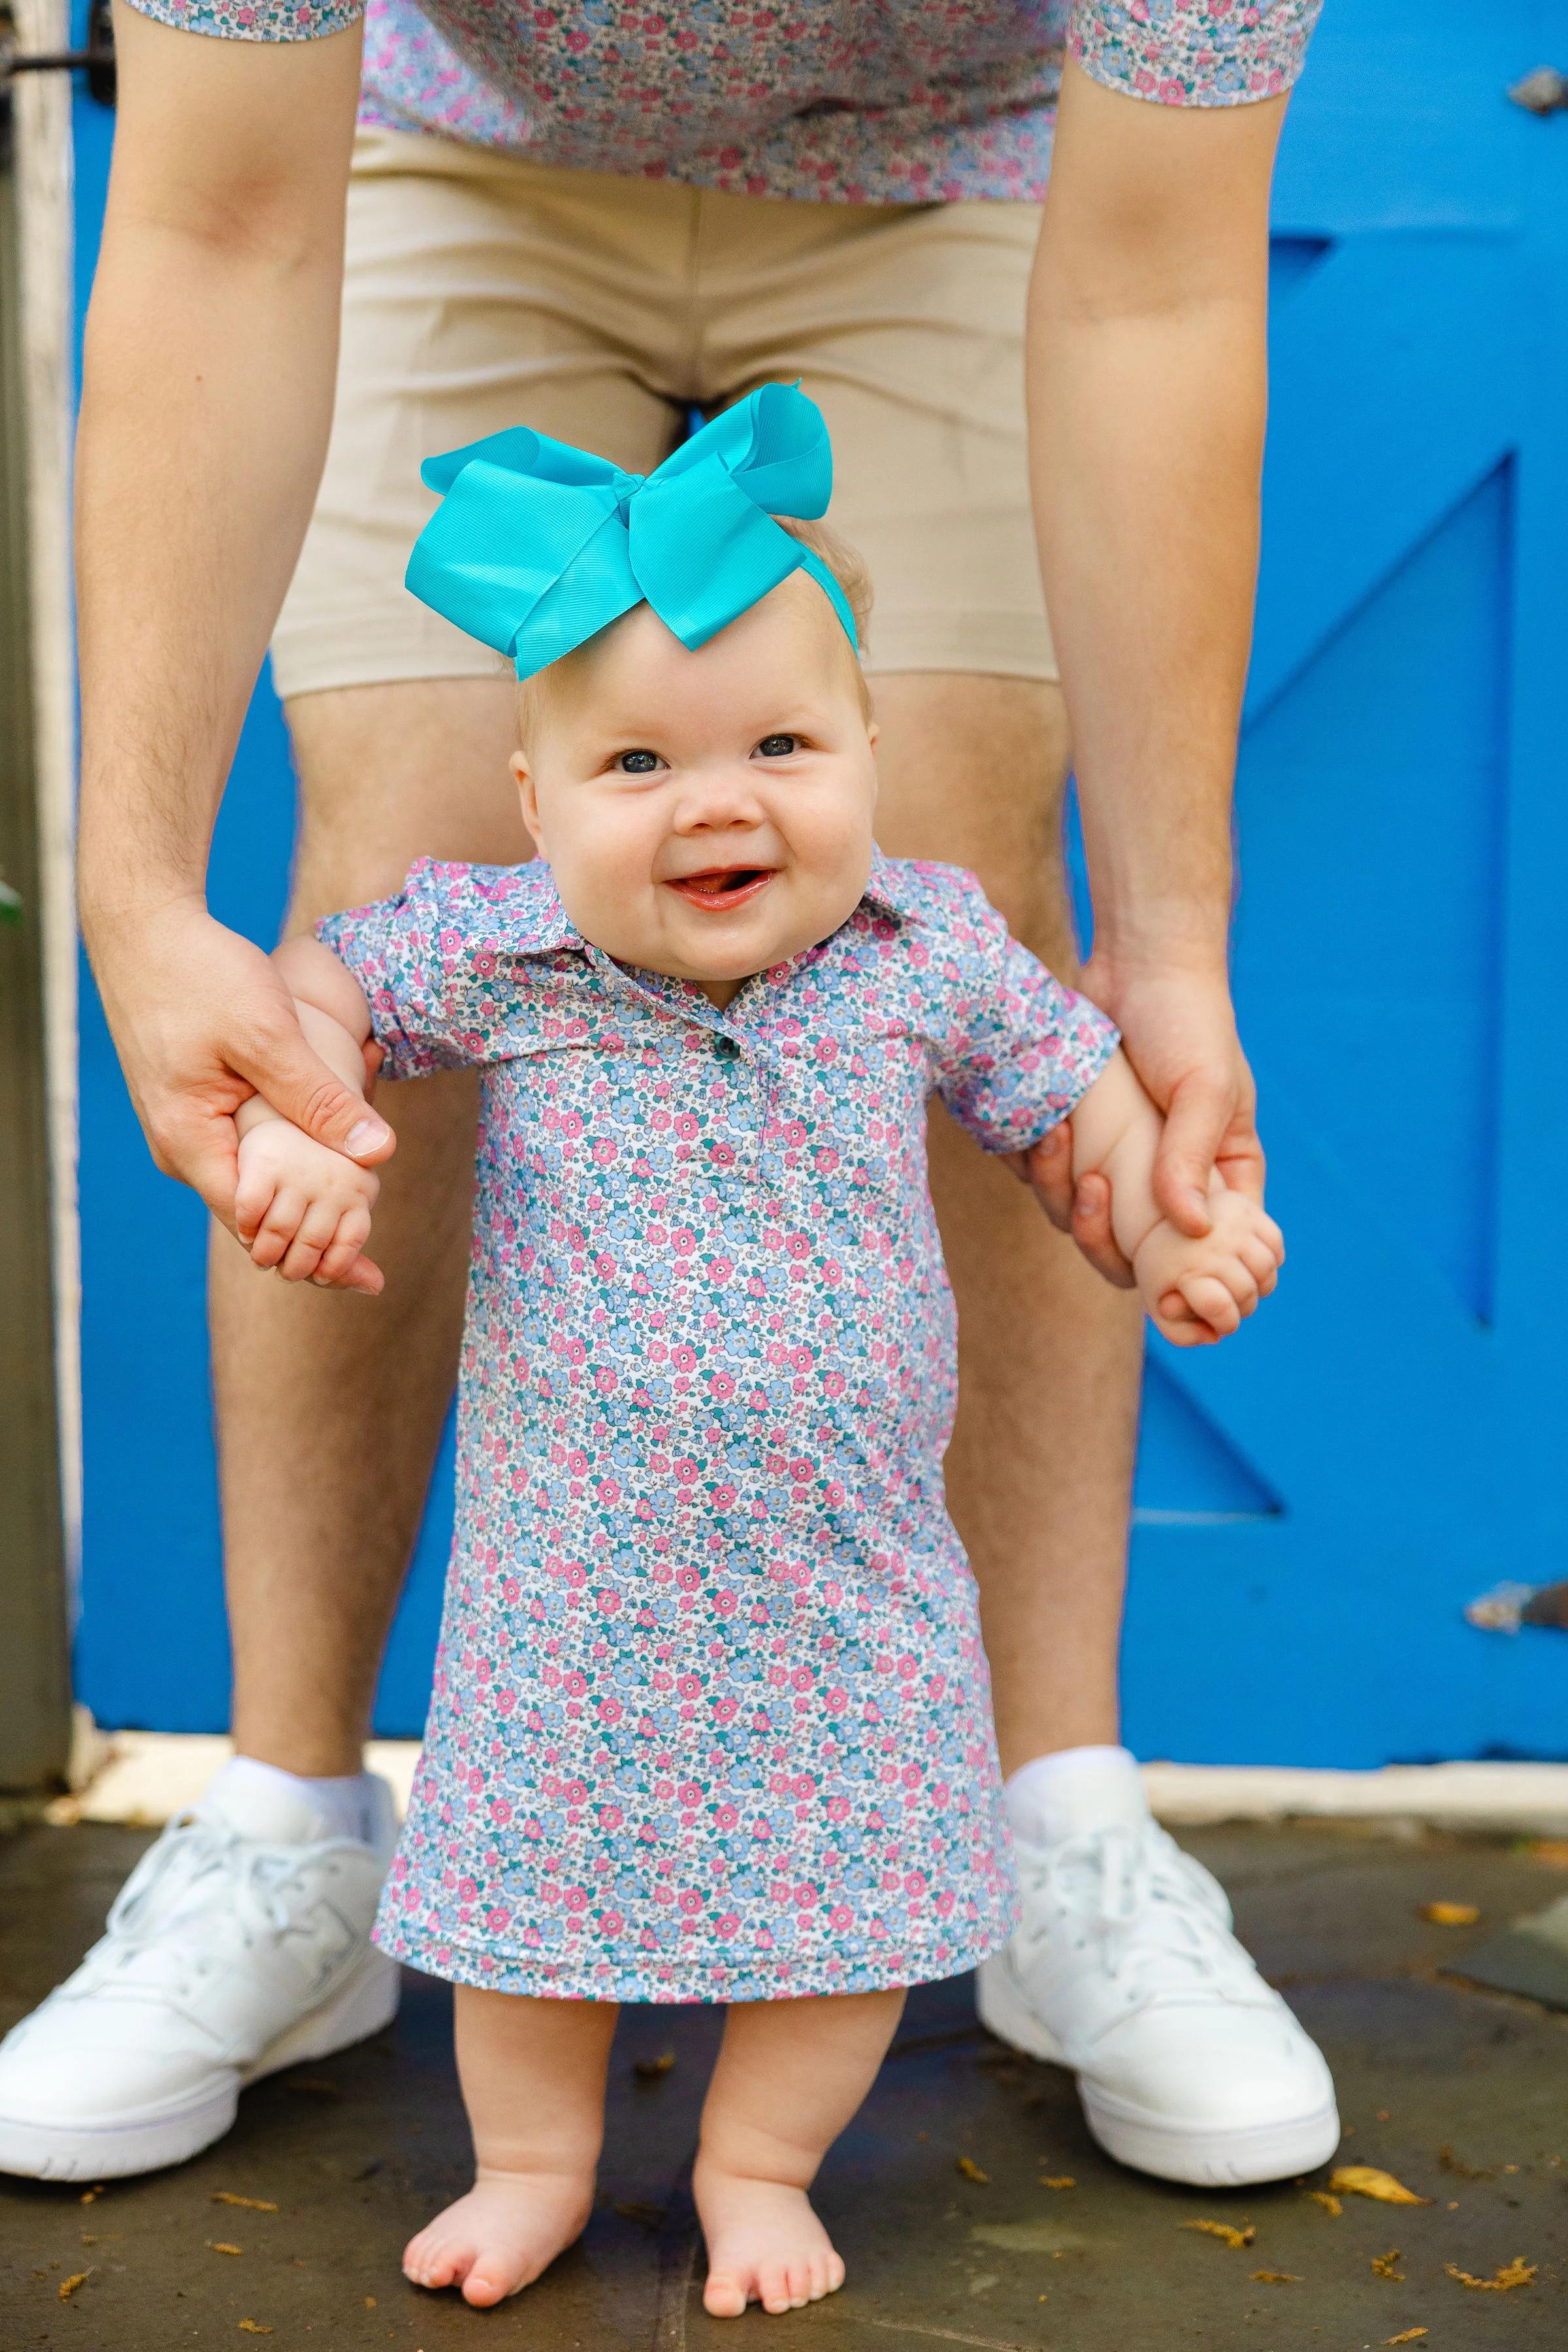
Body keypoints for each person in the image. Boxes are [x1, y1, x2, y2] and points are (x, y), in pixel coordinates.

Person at [0, 0, 1338, 2190]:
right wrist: (141, 897)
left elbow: (1160, 282)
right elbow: (228, 215)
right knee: (400, 884)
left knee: (964, 880)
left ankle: (1051, 1818)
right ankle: (290, 1826)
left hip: (960, 187)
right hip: (451, 155)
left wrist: (1171, 952)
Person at [221, 391, 1297, 2312]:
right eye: (636, 761)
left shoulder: (927, 953)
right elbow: (313, 985)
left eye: (783, 745)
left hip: (848, 1573)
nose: (720, 800)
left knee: (851, 1909)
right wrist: (301, 1128)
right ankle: (537, 2167)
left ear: (870, 753)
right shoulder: (496, 952)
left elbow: (1081, 1105)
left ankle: (758, 2168)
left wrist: (1169, 1219)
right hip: (573, 1583)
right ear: (537, 811)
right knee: (532, 1918)